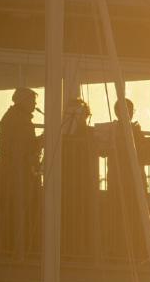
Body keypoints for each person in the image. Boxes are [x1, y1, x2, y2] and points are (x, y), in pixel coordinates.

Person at [0, 87, 42, 258]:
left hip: (12, 171)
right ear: (23, 100)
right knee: (16, 210)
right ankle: (16, 251)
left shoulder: (14, 116)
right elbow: (22, 148)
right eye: (32, 101)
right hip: (16, 174)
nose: (35, 104)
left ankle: (11, 249)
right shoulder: (18, 119)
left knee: (11, 210)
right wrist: (42, 141)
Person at [99, 97, 145, 257]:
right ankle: (121, 250)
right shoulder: (122, 130)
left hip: (124, 178)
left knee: (127, 215)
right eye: (128, 111)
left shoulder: (124, 130)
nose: (130, 114)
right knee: (120, 214)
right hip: (123, 178)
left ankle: (125, 250)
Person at [61, 98, 96, 255]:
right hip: (67, 178)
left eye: (83, 115)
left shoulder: (89, 132)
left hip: (83, 179)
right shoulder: (63, 133)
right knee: (67, 213)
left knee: (83, 214)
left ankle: (81, 249)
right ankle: (68, 247)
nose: (83, 119)